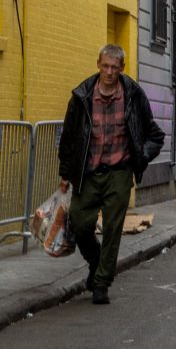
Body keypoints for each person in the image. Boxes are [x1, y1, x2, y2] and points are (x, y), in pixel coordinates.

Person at [58, 44, 165, 305]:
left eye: (114, 68)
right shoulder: (81, 96)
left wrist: (140, 157)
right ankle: (97, 263)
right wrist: (65, 173)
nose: (109, 72)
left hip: (119, 172)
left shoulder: (134, 96)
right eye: (105, 66)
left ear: (122, 69)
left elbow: (155, 135)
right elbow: (69, 138)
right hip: (88, 172)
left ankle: (101, 283)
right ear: (98, 64)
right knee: (79, 224)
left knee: (112, 229)